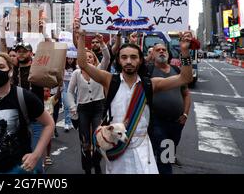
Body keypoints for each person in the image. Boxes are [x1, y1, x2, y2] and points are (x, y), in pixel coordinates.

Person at [73, 18, 194, 174]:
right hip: (118, 147)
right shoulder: (110, 80)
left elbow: (185, 78)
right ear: (118, 60)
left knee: (165, 162)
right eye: (124, 57)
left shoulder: (150, 83)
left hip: (144, 146)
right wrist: (81, 37)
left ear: (140, 60)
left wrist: (184, 50)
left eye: (133, 57)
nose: (129, 61)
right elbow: (83, 64)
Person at [0, 53, 54, 174]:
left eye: (1, 66)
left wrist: (36, 155)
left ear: (10, 71)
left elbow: (49, 124)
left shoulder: (24, 96)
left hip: (19, 168)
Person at [67, 33, 110, 174]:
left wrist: (103, 43)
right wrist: (73, 107)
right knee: (84, 141)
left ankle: (96, 163)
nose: (88, 58)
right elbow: (69, 92)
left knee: (98, 138)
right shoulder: (76, 74)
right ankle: (86, 168)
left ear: (94, 59)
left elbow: (108, 57)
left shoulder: (99, 70)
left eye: (90, 56)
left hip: (98, 107)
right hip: (83, 109)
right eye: (85, 57)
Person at [148, 43, 192, 174]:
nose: (161, 51)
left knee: (168, 152)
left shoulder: (177, 70)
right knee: (165, 156)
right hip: (157, 122)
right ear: (152, 54)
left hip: (177, 123)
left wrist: (185, 114)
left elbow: (186, 94)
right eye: (158, 50)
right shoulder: (148, 71)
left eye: (164, 49)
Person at [43, 86, 61, 167]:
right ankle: (42, 157)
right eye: (44, 91)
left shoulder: (51, 100)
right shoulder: (39, 101)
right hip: (42, 125)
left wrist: (59, 87)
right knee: (42, 142)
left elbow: (57, 96)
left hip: (49, 126)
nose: (46, 93)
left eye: (48, 91)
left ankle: (47, 156)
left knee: (49, 142)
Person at [62, 54, 77, 132]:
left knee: (73, 106)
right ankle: (66, 123)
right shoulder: (62, 67)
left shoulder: (76, 68)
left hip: (74, 88)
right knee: (66, 106)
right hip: (65, 87)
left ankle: (71, 121)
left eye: (72, 59)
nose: (70, 60)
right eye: (69, 59)